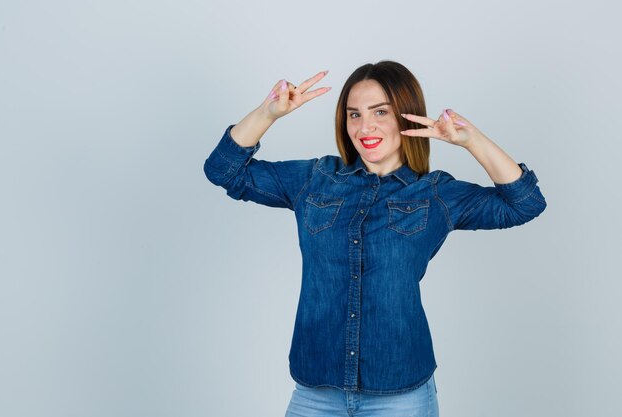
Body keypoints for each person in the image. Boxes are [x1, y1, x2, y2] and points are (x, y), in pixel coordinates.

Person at [203, 60, 547, 417]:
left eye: (380, 112)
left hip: (400, 394)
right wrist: (268, 112)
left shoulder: (434, 194)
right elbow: (223, 170)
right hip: (316, 392)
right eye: (354, 114)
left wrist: (470, 139)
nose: (365, 126)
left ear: (406, 116)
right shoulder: (315, 179)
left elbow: (525, 203)